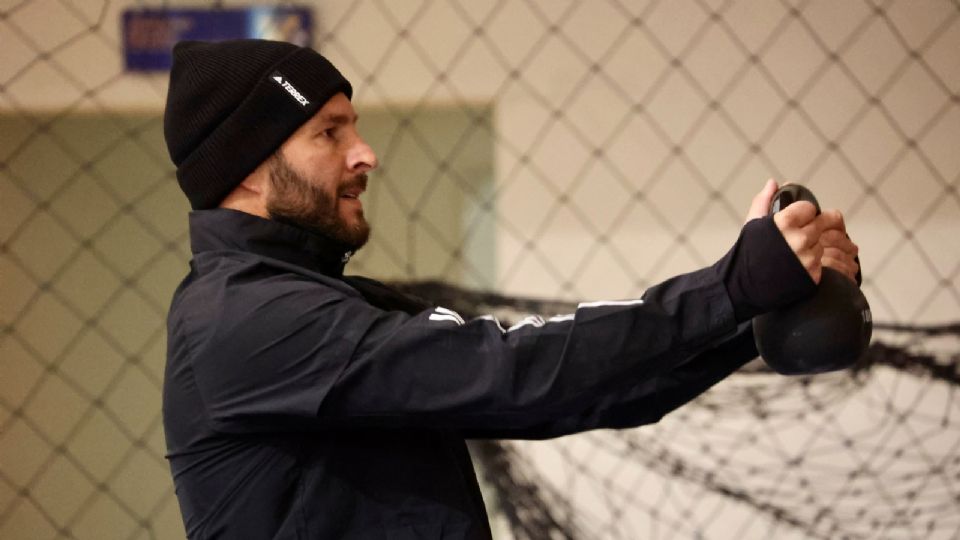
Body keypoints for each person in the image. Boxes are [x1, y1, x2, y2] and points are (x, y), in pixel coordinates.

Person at [161, 39, 860, 539]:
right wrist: (732, 288)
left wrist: (754, 307)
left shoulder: (332, 305)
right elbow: (511, 371)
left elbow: (578, 388)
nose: (365, 153)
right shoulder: (244, 319)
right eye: (329, 133)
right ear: (248, 173)